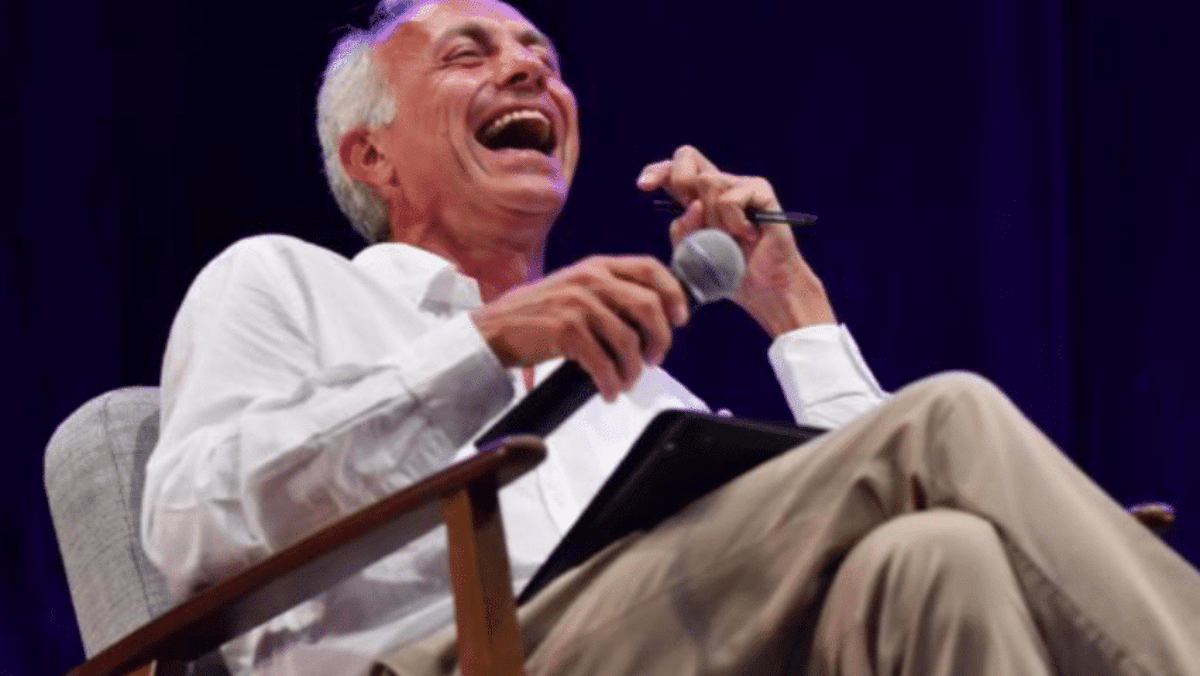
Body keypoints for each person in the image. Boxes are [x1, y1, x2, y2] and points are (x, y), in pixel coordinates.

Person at [140, 0, 1200, 674]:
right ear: (371, 156)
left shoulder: (645, 391)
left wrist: (792, 308)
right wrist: (482, 347)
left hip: (664, 643)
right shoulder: (285, 283)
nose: (529, 71)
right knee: (949, 416)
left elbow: (882, 487)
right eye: (471, 53)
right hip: (445, 659)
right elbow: (191, 521)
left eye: (542, 55)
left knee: (939, 555)